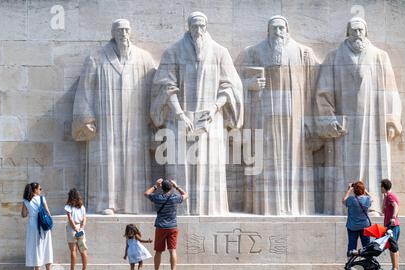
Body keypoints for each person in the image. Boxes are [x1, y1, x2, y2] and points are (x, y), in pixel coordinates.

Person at [151, 11, 243, 215]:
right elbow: (166, 86)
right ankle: (179, 211)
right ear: (189, 27)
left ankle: (209, 210)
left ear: (206, 27)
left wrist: (214, 108)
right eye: (194, 26)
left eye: (202, 26)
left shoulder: (220, 52)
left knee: (210, 168)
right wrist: (180, 114)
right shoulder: (173, 52)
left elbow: (229, 86)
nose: (198, 30)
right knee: (179, 166)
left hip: (211, 120)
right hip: (178, 119)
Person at [315, 17, 402, 214]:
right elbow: (323, 92)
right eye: (354, 30)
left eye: (361, 30)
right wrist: (329, 119)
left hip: (373, 123)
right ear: (348, 32)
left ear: (366, 32)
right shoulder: (334, 57)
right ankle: (344, 207)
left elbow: (390, 91)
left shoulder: (380, 57)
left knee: (372, 163)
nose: (357, 34)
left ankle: (372, 207)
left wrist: (391, 119)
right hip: (345, 126)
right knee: (344, 164)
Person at [235, 15, 319, 215]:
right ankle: (264, 206)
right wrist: (248, 86)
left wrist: (314, 119)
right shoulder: (253, 52)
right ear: (268, 31)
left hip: (295, 118)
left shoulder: (303, 53)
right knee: (264, 159)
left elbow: (320, 83)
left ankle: (293, 207)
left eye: (282, 28)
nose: (278, 32)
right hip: (262, 117)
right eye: (274, 29)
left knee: (294, 157)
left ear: (287, 30)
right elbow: (232, 80)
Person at [72, 18, 156, 215]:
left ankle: (135, 203)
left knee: (134, 159)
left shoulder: (144, 59)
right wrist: (86, 119)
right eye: (119, 30)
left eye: (127, 30)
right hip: (106, 122)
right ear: (113, 34)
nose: (124, 34)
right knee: (107, 160)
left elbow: (157, 89)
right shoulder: (97, 58)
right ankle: (107, 203)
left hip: (136, 121)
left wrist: (156, 121)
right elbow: (85, 89)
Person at [144, 178, 188, 270]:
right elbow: (186, 195)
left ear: (162, 188)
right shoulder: (175, 198)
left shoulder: (158, 197)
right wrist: (176, 186)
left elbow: (146, 193)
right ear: (170, 188)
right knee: (172, 250)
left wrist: (155, 186)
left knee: (158, 251)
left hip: (160, 227)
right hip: (172, 227)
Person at [21, 182, 53, 270]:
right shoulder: (42, 199)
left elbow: (24, 214)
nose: (40, 190)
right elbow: (48, 212)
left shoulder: (26, 200)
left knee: (35, 248)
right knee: (47, 248)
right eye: (40, 188)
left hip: (33, 225)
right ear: (35, 190)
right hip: (44, 226)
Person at [342, 181, 371, 256]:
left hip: (352, 226)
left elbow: (344, 200)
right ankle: (368, 262)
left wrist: (349, 190)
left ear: (354, 190)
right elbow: (371, 198)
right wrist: (365, 191)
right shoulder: (367, 199)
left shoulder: (351, 199)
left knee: (352, 246)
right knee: (367, 246)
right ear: (363, 190)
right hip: (365, 226)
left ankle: (350, 264)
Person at [64, 188, 88, 270]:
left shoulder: (68, 206)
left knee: (73, 251)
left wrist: (75, 228)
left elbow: (70, 218)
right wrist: (81, 228)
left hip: (72, 228)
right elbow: (84, 218)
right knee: (83, 250)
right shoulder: (82, 206)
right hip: (80, 228)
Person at [380, 179, 401, 270]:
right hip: (393, 226)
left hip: (392, 226)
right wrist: (384, 200)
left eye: (381, 186)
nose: (380, 188)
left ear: (384, 187)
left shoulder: (390, 196)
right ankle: (396, 268)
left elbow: (396, 206)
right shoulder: (387, 197)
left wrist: (393, 217)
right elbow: (383, 212)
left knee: (393, 248)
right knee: (394, 247)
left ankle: (395, 269)